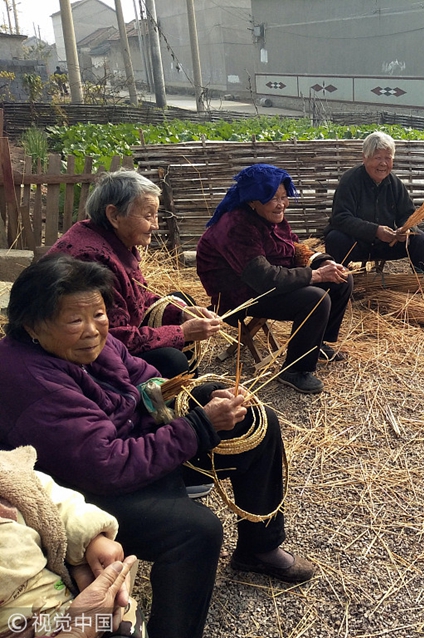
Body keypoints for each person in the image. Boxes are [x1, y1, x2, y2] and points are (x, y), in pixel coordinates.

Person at [0, 254, 315, 638]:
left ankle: (258, 548)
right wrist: (198, 427)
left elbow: (145, 377)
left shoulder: (95, 346)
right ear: (32, 325)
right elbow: (106, 466)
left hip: (130, 447)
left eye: (98, 315)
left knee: (256, 423)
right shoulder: (30, 379)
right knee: (194, 532)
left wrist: (197, 395)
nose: (92, 330)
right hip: (81, 487)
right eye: (74, 320)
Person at [196, 163, 353, 395]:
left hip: (266, 284)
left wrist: (323, 262)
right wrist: (315, 275)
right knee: (316, 298)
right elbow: (264, 278)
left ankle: (317, 344)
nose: (282, 204)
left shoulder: (271, 218)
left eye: (284, 197)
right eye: (273, 198)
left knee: (342, 279)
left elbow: (292, 246)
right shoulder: (236, 226)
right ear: (253, 200)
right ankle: (294, 370)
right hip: (240, 295)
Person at [48, 170, 221, 378]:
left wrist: (182, 314)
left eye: (155, 216)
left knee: (180, 302)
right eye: (148, 216)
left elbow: (140, 295)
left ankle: (190, 386)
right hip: (79, 355)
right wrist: (182, 332)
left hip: (108, 336)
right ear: (114, 215)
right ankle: (172, 400)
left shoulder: (112, 240)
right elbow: (112, 338)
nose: (155, 225)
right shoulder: (92, 261)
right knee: (172, 361)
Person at [0, 446, 143, 638]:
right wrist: (79, 631)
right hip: (22, 627)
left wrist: (91, 538)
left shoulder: (7, 473)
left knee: (128, 622)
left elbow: (40, 495)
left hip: (66, 599)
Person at [325, 131, 424, 273]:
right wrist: (375, 231)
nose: (383, 163)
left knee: (418, 238)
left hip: (386, 244)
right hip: (357, 244)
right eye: (377, 158)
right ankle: (338, 283)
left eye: (388, 158)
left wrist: (406, 229)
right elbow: (340, 217)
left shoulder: (394, 183)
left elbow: (408, 214)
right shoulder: (350, 181)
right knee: (335, 238)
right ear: (364, 158)